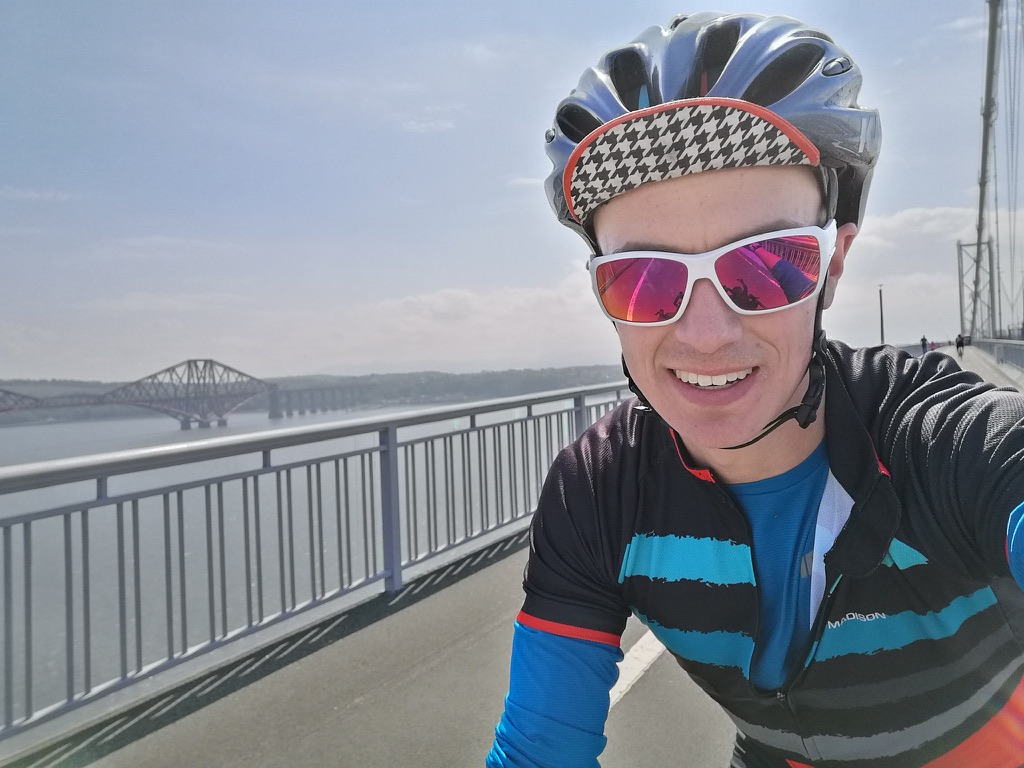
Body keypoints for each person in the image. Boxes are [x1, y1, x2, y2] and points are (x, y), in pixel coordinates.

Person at [486, 11, 1024, 768]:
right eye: (643, 280)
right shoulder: (600, 492)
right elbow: (538, 752)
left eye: (767, 265)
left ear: (834, 263)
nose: (706, 334)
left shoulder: (932, 441)